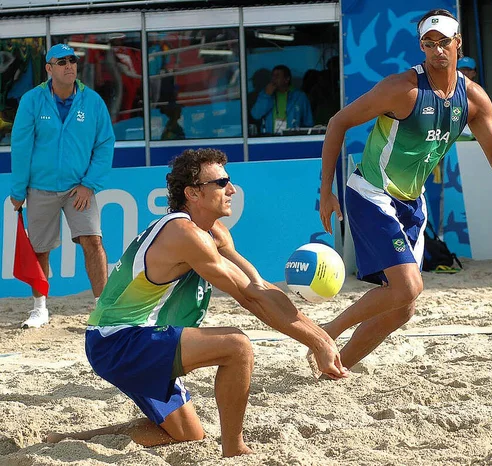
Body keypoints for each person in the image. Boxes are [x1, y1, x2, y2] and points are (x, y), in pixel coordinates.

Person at [46, 148, 348, 457]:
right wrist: (316, 341)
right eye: (220, 183)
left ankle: (71, 440)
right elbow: (249, 298)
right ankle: (234, 448)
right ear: (193, 193)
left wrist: (321, 337)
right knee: (237, 346)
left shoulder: (211, 231)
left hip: (129, 336)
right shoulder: (183, 233)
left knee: (189, 435)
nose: (231, 190)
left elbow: (259, 287)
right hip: (118, 341)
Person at [318, 9, 492, 371]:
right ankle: (326, 333)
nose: (437, 49)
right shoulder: (401, 89)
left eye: (444, 42)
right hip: (371, 192)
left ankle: (334, 367)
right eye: (429, 43)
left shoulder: (473, 100)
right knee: (407, 288)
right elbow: (337, 122)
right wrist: (326, 190)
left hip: (410, 202)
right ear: (421, 46)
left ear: (458, 43)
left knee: (403, 309)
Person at [10, 44, 115, 328]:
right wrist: (18, 190)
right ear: (49, 68)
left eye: (73, 61)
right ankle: (40, 308)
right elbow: (21, 147)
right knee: (40, 249)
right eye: (62, 62)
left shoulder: (92, 102)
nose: (69, 65)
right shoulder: (32, 101)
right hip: (40, 187)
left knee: (93, 241)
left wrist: (89, 184)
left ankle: (101, 308)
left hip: (79, 188)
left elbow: (104, 145)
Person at [250, 64, 313, 134]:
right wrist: (266, 95)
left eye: (277, 76)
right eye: (272, 76)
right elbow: (256, 115)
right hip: (269, 139)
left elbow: (308, 123)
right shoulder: (265, 94)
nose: (274, 79)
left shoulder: (299, 96)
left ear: (287, 79)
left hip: (293, 138)